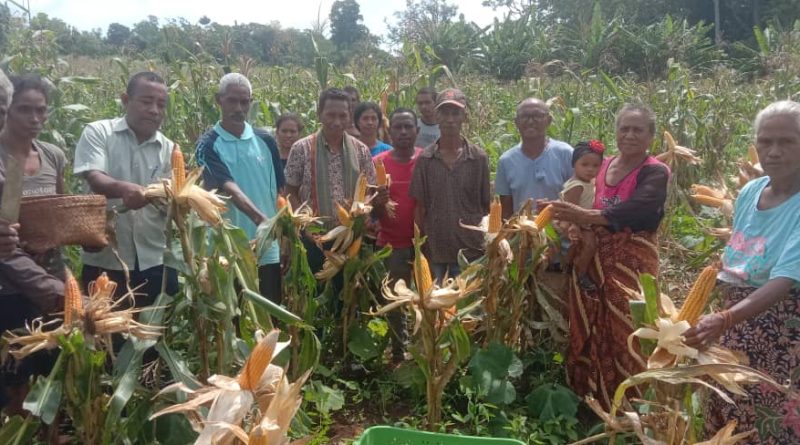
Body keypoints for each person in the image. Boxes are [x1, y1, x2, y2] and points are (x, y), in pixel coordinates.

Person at [684, 100, 800, 444]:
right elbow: (736, 260)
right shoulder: (751, 191)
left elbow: (785, 279)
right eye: (765, 141)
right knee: (724, 407)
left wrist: (725, 318)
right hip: (732, 321)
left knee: (767, 418)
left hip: (781, 328)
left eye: (787, 141)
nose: (774, 151)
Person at [544, 103, 669, 409]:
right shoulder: (603, 165)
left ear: (651, 136)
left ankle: (629, 404)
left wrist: (586, 216)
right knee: (591, 321)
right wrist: (567, 217)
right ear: (616, 132)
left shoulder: (654, 171)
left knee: (628, 327)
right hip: (594, 257)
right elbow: (578, 196)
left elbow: (638, 209)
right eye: (624, 128)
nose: (630, 135)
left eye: (638, 130)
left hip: (631, 261)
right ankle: (591, 397)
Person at [73, 71, 178, 305]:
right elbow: (94, 177)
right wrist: (124, 190)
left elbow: (171, 200)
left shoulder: (169, 149)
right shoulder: (98, 132)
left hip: (155, 259)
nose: (154, 110)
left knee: (154, 327)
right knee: (105, 327)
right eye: (146, 102)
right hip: (106, 262)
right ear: (125, 100)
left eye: (161, 104)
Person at [0, 73, 65, 415]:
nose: (35, 118)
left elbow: (60, 215)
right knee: (15, 373)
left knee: (49, 366)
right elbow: (6, 240)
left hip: (51, 275)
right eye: (24, 109)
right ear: (8, 110)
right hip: (12, 286)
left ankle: (47, 431)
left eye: (41, 110)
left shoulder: (52, 156)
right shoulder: (6, 165)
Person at [196, 73, 285, 302]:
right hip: (229, 248)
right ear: (219, 100)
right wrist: (262, 221)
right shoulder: (208, 145)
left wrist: (282, 232)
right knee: (233, 315)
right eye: (232, 101)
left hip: (266, 247)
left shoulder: (266, 141)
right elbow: (229, 188)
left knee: (269, 313)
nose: (239, 108)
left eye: (244, 102)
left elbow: (279, 191)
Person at [284, 87, 379, 275]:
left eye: (342, 116)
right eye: (330, 115)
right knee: (313, 288)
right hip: (312, 239)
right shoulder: (301, 148)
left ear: (350, 116)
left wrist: (363, 214)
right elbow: (290, 191)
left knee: (348, 290)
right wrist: (304, 224)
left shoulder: (361, 150)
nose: (336, 122)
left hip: (351, 239)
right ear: (319, 114)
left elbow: (370, 191)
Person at [409, 88, 490, 282]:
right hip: (436, 250)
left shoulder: (478, 158)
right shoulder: (425, 159)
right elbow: (420, 208)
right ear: (437, 116)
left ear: (464, 117)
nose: (450, 119)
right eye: (445, 113)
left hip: (471, 251)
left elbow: (485, 206)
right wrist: (419, 248)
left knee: (470, 301)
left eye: (455, 113)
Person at [374, 107, 422, 363]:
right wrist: (378, 202)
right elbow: (370, 212)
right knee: (395, 301)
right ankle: (398, 352)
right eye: (398, 127)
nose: (403, 132)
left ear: (417, 131)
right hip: (392, 244)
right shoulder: (378, 163)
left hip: (423, 244)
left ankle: (425, 350)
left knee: (427, 299)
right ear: (389, 131)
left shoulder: (426, 160)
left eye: (408, 127)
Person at [495, 98, 573, 219]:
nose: (530, 121)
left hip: (561, 228)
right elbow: (506, 211)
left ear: (549, 120)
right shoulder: (506, 161)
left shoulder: (566, 153)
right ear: (516, 122)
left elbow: (578, 197)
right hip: (521, 229)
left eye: (537, 116)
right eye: (524, 116)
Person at [560, 140, 604, 290]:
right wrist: (574, 226)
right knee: (590, 245)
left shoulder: (588, 182)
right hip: (575, 221)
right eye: (584, 165)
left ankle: (568, 268)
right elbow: (570, 209)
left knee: (575, 247)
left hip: (583, 220)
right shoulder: (577, 186)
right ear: (574, 164)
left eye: (595, 166)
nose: (590, 169)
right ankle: (580, 274)